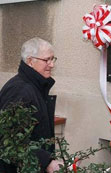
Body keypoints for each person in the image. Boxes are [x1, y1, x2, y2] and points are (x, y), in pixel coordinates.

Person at [0, 37, 63, 173]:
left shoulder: (36, 87)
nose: (51, 64)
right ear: (30, 61)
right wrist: (47, 161)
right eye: (47, 60)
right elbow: (9, 140)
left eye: (53, 59)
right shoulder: (19, 90)